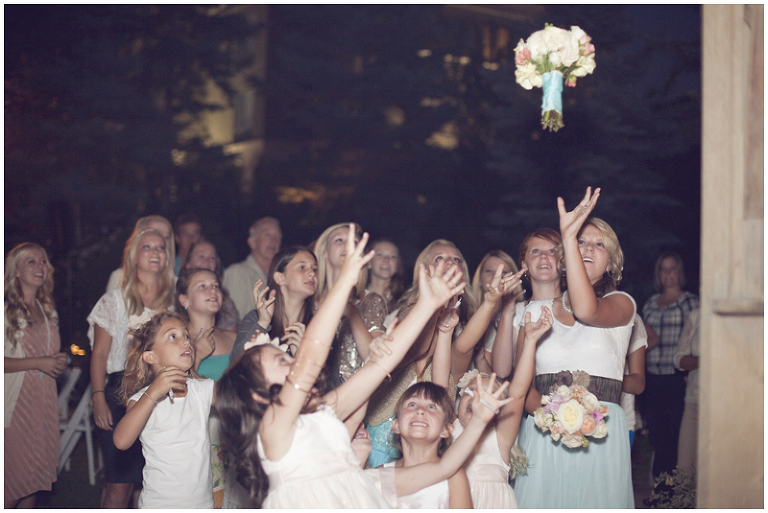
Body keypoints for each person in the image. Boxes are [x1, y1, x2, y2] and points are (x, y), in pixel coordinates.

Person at [215, 225, 466, 508]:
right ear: (256, 393)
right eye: (281, 360)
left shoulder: (322, 413)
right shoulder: (272, 431)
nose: (293, 361)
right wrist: (345, 280)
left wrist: (428, 304)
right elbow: (310, 357)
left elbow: (379, 366)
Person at [513, 187, 636, 508]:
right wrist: (553, 420)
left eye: (600, 244)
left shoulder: (623, 304)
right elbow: (521, 384)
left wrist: (568, 238)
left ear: (611, 264)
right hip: (544, 432)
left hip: (601, 433)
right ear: (565, 258)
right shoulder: (534, 312)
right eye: (581, 241)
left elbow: (586, 310)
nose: (589, 248)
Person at [364, 239, 521, 468]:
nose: (449, 263)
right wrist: (434, 305)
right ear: (423, 269)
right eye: (439, 258)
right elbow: (417, 349)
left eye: (456, 260)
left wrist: (490, 301)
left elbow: (463, 348)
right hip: (377, 440)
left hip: (428, 445)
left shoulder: (459, 325)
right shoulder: (402, 317)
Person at [88, 227, 176, 508]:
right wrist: (98, 397)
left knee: (152, 479)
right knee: (119, 483)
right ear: (134, 256)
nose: (155, 252)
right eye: (147, 247)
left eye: (160, 247)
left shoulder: (173, 302)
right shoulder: (114, 300)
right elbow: (100, 353)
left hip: (163, 394)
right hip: (120, 392)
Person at [451, 304, 553, 508]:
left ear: (500, 412)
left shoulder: (500, 438)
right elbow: (442, 376)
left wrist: (530, 341)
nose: (478, 398)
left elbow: (518, 393)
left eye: (488, 396)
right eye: (472, 391)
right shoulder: (448, 429)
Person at [113, 311, 216, 508]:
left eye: (187, 335)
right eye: (173, 336)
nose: (186, 341)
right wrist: (153, 393)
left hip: (202, 505)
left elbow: (237, 393)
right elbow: (121, 441)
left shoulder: (201, 390)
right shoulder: (143, 400)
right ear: (151, 356)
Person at [4, 243, 67, 509]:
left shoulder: (47, 309)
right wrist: (40, 362)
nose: (40, 267)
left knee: (33, 481)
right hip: (15, 404)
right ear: (16, 270)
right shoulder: (5, 310)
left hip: (43, 402)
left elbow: (47, 354)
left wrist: (57, 361)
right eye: (31, 262)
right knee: (13, 483)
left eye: (43, 261)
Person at [175, 267, 233, 507]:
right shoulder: (175, 339)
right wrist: (197, 355)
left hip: (231, 433)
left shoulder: (233, 337)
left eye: (216, 286)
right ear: (184, 300)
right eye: (203, 286)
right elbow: (174, 395)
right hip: (195, 437)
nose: (213, 290)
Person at [641, 251, 699, 478]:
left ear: (679, 271)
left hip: (678, 379)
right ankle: (661, 489)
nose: (668, 274)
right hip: (653, 378)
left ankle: (679, 489)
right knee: (658, 434)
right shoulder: (650, 304)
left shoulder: (691, 302)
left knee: (677, 436)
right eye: (663, 270)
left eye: (672, 268)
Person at [313, 223, 387, 386]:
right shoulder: (309, 302)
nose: (348, 246)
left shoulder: (370, 302)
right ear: (324, 252)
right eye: (339, 240)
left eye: (354, 242)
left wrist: (350, 311)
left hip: (353, 395)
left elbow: (375, 360)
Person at [492, 228, 563, 379]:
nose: (544, 256)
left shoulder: (576, 307)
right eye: (535, 251)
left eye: (552, 251)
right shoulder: (515, 312)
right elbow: (501, 371)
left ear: (563, 262)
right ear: (524, 265)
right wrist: (507, 311)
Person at [230, 246, 317, 362]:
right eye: (302, 267)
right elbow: (236, 363)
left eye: (315, 269)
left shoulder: (319, 324)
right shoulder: (255, 319)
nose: (312, 273)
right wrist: (263, 323)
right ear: (280, 278)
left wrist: (301, 357)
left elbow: (331, 371)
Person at [471, 250, 523, 372]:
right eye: (489, 271)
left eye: (504, 272)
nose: (496, 276)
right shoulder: (465, 318)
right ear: (480, 279)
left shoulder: (520, 317)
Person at [223, 217, 282, 319]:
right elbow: (232, 321)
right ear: (252, 242)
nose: (274, 240)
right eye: (267, 234)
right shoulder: (237, 273)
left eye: (278, 236)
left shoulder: (280, 277)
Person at [106, 215, 175, 291]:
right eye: (154, 233)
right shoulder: (119, 278)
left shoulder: (176, 283)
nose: (161, 241)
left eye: (167, 237)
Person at [182, 239, 239, 331]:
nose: (207, 261)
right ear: (188, 263)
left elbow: (232, 333)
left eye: (212, 257)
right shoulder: (174, 295)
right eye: (201, 256)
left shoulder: (222, 299)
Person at [673, 308, 700, 479]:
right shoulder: (697, 315)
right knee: (684, 470)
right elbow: (678, 359)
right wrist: (706, 359)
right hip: (694, 402)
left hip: (725, 404)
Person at [621, 314, 648, 447]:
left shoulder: (630, 318)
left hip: (618, 422)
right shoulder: (563, 311)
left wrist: (594, 380)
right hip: (566, 417)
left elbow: (638, 385)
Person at [365, 238, 406, 313]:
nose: (386, 260)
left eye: (392, 256)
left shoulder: (405, 302)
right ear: (369, 262)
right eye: (379, 255)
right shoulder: (354, 298)